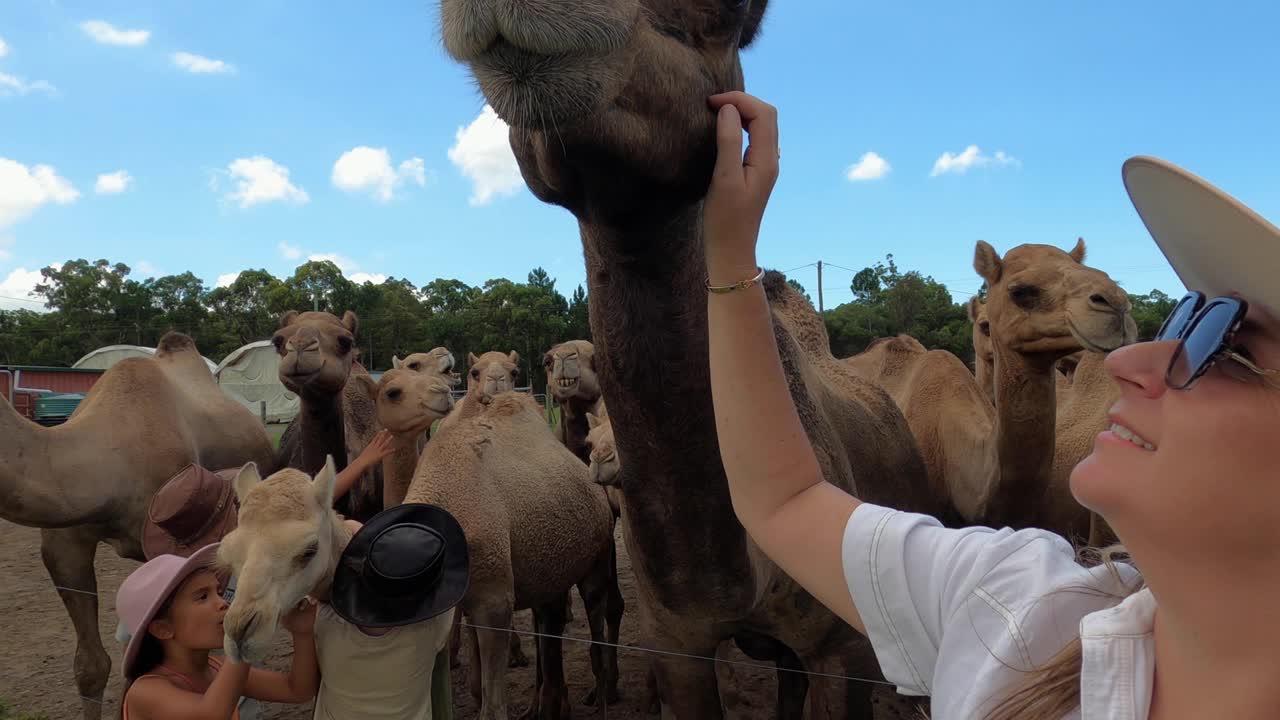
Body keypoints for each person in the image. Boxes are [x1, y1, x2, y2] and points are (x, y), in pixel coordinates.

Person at [703, 90, 1280, 719]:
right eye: (1184, 316)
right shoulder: (1017, 605)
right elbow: (784, 500)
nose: (1130, 360)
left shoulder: (1009, 610)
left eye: (1222, 343)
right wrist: (728, 254)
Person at [115, 543, 320, 720]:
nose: (223, 603)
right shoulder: (145, 691)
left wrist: (302, 632)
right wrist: (242, 640)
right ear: (163, 629)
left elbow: (297, 690)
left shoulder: (214, 667)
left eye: (219, 592)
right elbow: (212, 715)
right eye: (202, 597)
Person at [313, 502, 469, 719]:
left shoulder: (325, 622)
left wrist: (359, 536)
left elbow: (348, 528)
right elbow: (445, 596)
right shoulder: (432, 629)